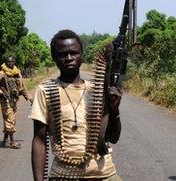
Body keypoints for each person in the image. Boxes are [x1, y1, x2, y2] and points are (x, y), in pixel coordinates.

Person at [30, 29, 122, 181]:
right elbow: (39, 140)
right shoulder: (46, 90)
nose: (68, 58)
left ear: (82, 55)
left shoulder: (97, 90)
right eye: (62, 54)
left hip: (104, 173)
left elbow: (113, 137)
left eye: (74, 53)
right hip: (64, 174)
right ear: (54, 57)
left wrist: (114, 111)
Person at [0, 56, 32, 148]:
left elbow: (22, 88)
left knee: (10, 119)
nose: (10, 63)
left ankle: (5, 140)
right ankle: (12, 142)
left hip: (14, 100)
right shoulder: (1, 74)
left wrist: (30, 98)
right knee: (10, 119)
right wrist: (1, 93)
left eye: (12, 61)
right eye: (8, 62)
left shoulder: (17, 73)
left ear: (14, 62)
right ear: (5, 62)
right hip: (5, 100)